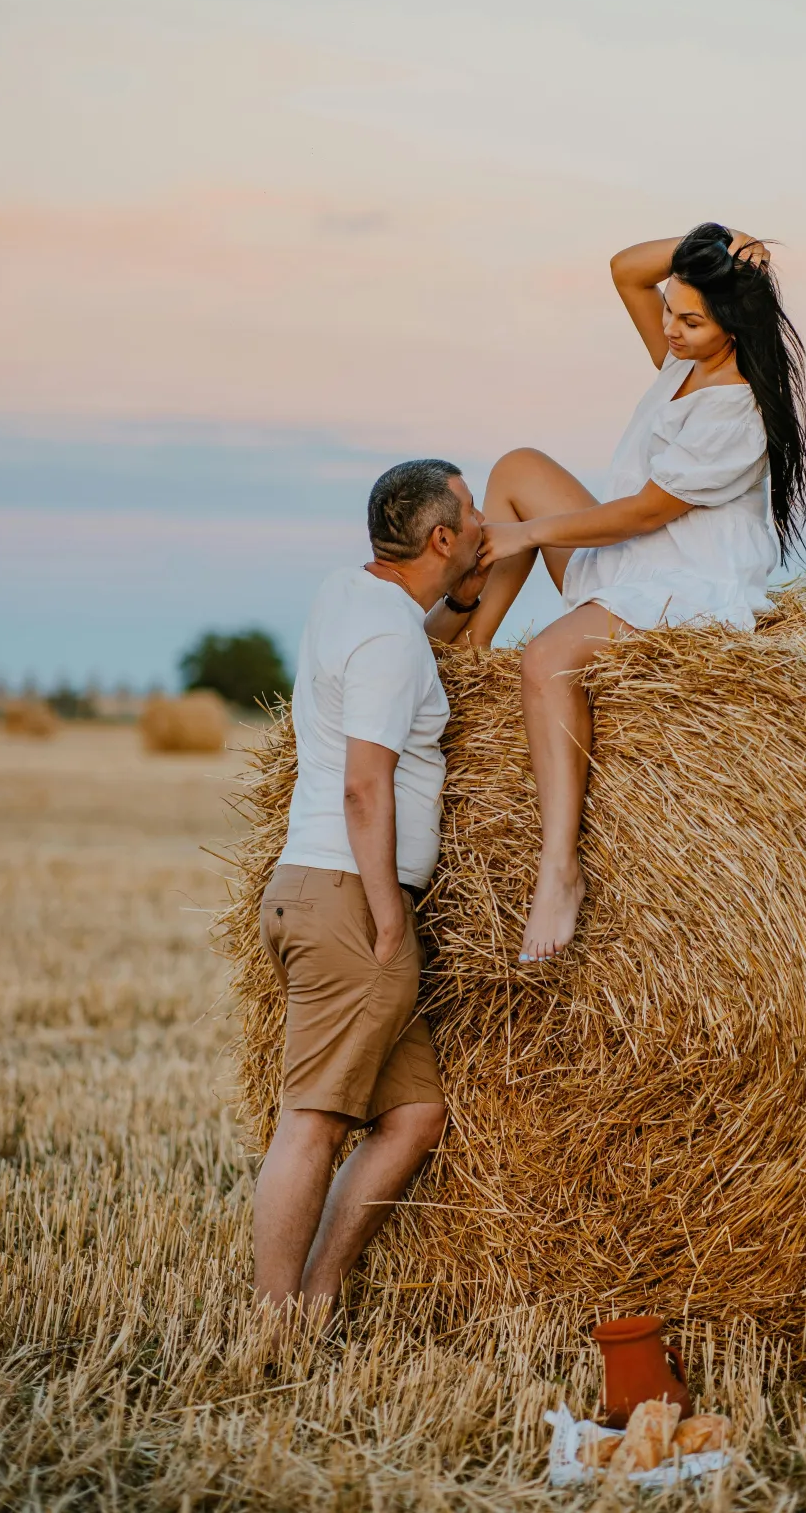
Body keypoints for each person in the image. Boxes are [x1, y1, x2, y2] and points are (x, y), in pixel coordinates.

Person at [469, 223, 806, 965]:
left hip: (684, 581)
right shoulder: (681, 362)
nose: (671, 330)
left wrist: (529, 538)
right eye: (672, 313)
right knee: (517, 468)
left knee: (547, 661)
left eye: (691, 320)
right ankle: (465, 663)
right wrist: (724, 236)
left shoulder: (737, 412)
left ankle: (559, 869)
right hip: (628, 561)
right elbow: (627, 268)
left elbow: (645, 513)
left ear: (735, 324)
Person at [253, 458, 492, 1327]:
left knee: (416, 1113)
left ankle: (318, 1298)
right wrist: (391, 914)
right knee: (313, 1121)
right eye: (470, 516)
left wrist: (461, 600)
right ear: (440, 538)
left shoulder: (350, 597)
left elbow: (400, 647)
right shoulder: (392, 641)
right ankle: (272, 1327)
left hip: (310, 887)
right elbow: (366, 785)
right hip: (352, 894)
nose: (483, 525)